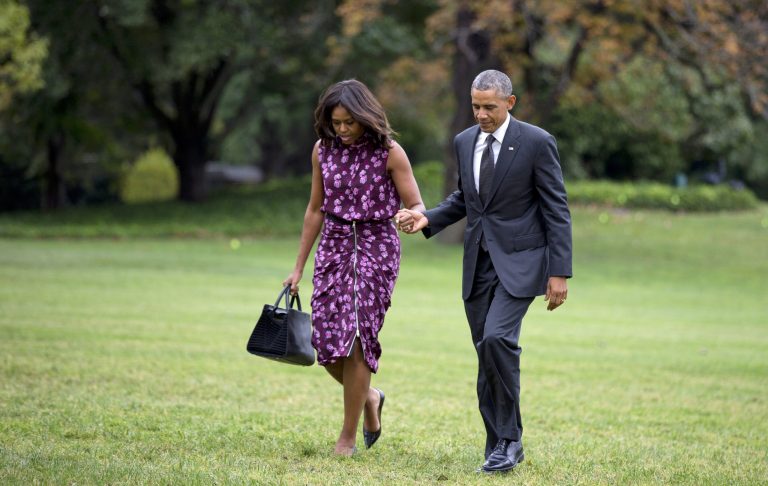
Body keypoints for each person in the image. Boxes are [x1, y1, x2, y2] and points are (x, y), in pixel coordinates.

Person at [396, 70, 572, 473]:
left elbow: (556, 209)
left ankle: (510, 440)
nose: (481, 114)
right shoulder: (464, 142)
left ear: (510, 103)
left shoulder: (537, 142)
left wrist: (559, 272)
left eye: (489, 107)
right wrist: (428, 219)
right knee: (485, 353)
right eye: (476, 106)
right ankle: (497, 444)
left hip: (523, 262)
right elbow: (466, 198)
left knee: (497, 340)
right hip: (477, 264)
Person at [284, 79, 425, 456]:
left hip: (377, 246)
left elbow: (418, 204)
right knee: (327, 343)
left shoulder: (390, 152)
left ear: (365, 117)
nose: (343, 130)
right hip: (333, 244)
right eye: (336, 123)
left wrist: (412, 217)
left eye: (349, 122)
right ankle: (370, 398)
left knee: (359, 336)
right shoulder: (322, 150)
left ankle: (346, 438)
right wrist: (298, 268)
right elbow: (315, 209)